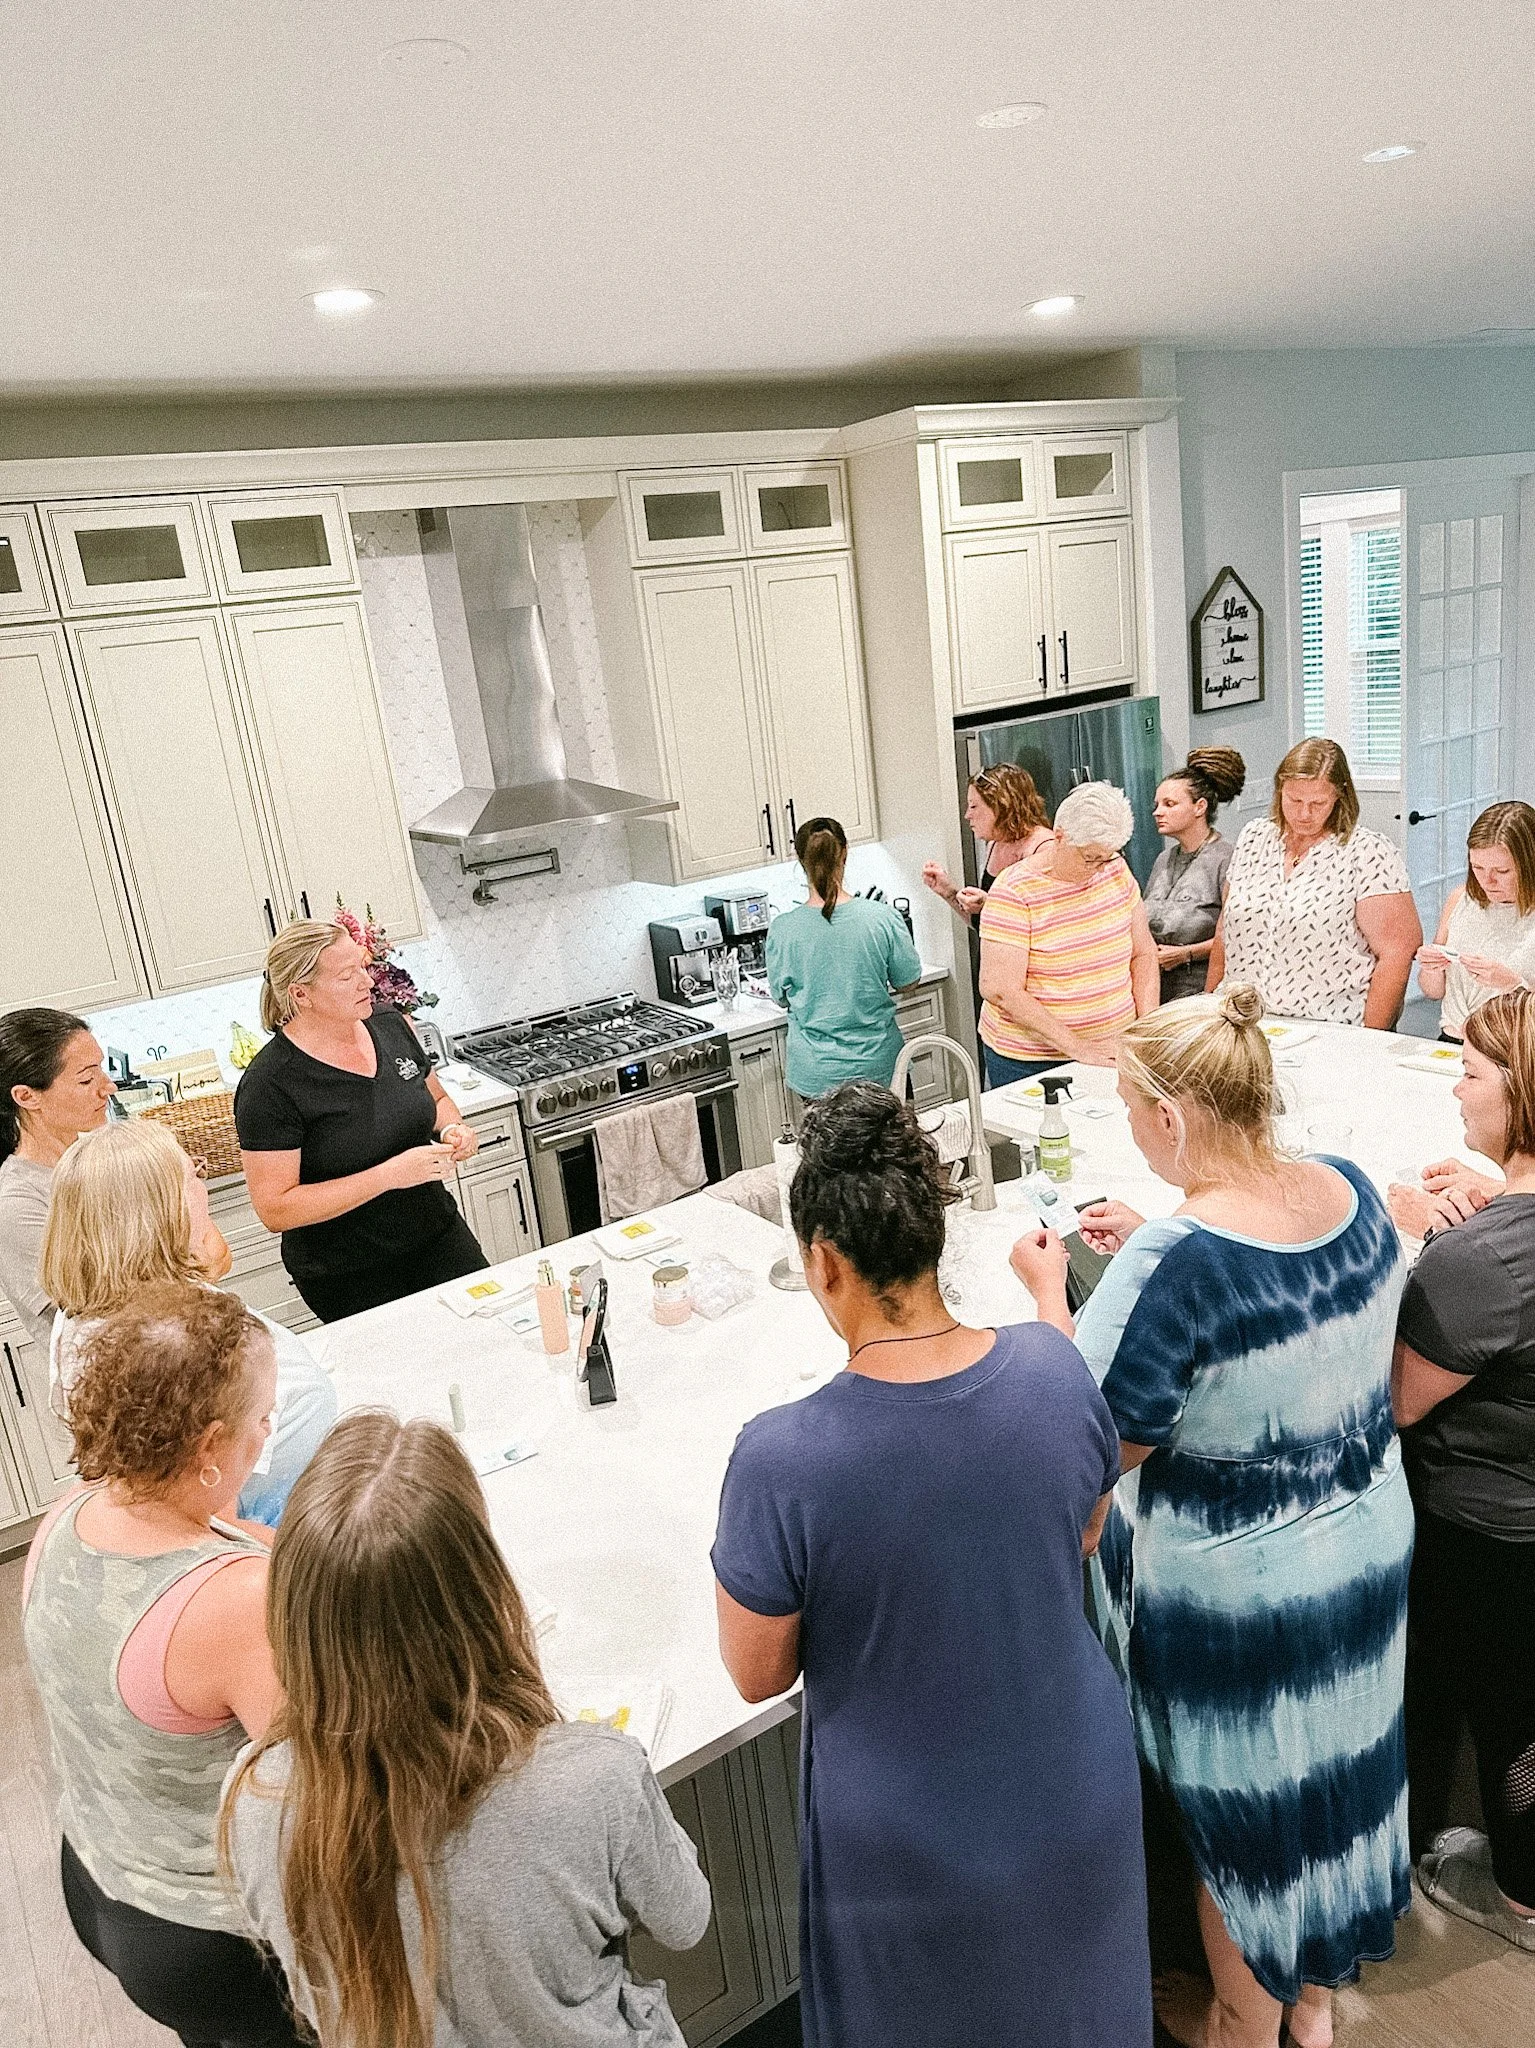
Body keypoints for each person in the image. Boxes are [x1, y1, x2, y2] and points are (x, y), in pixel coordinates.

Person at [1010, 987, 1413, 2048]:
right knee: (1326, 1786)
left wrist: (1050, 1292)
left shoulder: (1173, 1262)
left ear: (1172, 1116)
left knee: (1245, 1827)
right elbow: (1277, 1337)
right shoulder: (1348, 1189)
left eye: (1129, 1110)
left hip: (1241, 1601)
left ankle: (1241, 2019)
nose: (1131, 1130)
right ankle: (1310, 2003)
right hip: (1363, 1550)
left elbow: (1084, 1441)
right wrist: (1151, 1247)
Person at [711, 1083, 1152, 2048]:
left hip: (910, 1836)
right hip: (1073, 1779)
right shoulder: (1053, 1367)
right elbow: (1083, 1532)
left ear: (824, 1260)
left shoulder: (781, 1457)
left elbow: (756, 1673)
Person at [222, 1410, 710, 2048]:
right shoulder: (594, 1778)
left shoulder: (253, 1798)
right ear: (481, 1586)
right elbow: (685, 1918)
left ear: (294, 1610)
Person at [22, 1282, 305, 2048]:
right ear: (209, 1446)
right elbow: (323, 1790)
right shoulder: (235, 1604)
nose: (267, 1433)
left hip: (100, 1879)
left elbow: (220, 1544)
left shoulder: (72, 1515)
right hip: (217, 1938)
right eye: (262, 1419)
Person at [1389, 990, 1535, 1950]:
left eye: (1470, 1072)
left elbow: (1399, 1401)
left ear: (1518, 1093)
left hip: (1489, 1532)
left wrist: (1418, 1230)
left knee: (1512, 1717)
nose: (1455, 1088)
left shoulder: (1479, 1259)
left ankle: (1520, 1892)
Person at [40, 1120, 335, 1526]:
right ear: (160, 1210)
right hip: (276, 1521)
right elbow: (212, 1512)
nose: (202, 1186)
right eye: (192, 1175)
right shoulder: (169, 1340)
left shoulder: (87, 1315)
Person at [235, 919, 487, 1323]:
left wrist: (452, 1128)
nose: (367, 982)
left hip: (437, 1233)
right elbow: (276, 1209)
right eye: (346, 975)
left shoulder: (390, 1025)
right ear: (301, 994)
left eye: (363, 967)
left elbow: (436, 1098)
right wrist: (389, 1176)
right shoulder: (270, 1085)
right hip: (348, 1273)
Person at [1209, 738, 1421, 1027]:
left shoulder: (1367, 852)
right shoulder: (1253, 838)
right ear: (1280, 790)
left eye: (1318, 803)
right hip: (1241, 1019)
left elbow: (1398, 951)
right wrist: (1207, 1007)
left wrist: (1373, 1036)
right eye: (1294, 800)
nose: (1304, 814)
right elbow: (1225, 931)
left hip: (1327, 1025)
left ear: (1339, 796)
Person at [977, 779, 1160, 1085]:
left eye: (1107, 856)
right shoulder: (1015, 890)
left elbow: (1143, 953)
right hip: (1031, 1063)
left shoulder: (1115, 870)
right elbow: (1001, 989)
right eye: (1090, 858)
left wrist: (1147, 1028)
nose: (1100, 868)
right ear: (1059, 837)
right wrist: (1078, 1048)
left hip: (1114, 1048)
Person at [766, 817, 922, 1106]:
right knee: (893, 1136)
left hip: (817, 1073)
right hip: (879, 1067)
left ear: (799, 859)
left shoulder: (783, 929)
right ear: (845, 853)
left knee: (830, 1139)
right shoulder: (883, 917)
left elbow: (781, 997)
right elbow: (908, 982)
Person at [0, 1008, 116, 1360]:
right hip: (113, 1381)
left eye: (101, 1070)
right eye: (86, 1080)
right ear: (26, 1097)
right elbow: (103, 1310)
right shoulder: (16, 1202)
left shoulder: (98, 1162)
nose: (108, 1087)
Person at [1413, 800, 1535, 1042]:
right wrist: (1430, 967)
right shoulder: (1460, 899)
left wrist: (1514, 985)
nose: (1487, 881)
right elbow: (1433, 991)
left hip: (1513, 1047)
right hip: (1453, 1039)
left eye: (1502, 871)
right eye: (1477, 867)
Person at [1143, 747, 1247, 1002]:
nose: (1158, 812)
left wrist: (1186, 954)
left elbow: (1240, 935)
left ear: (1200, 807)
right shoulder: (1163, 859)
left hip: (1201, 991)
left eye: (1169, 804)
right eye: (1157, 805)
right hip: (1156, 988)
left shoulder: (1228, 859)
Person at [922, 762, 1052, 926]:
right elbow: (982, 924)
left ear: (1002, 806)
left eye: (973, 806)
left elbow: (1048, 922)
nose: (967, 815)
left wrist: (991, 904)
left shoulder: (1044, 848)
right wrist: (948, 891)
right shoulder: (994, 844)